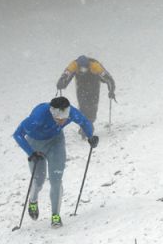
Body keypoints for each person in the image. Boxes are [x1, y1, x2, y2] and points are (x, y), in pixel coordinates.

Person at [13, 96, 99, 228]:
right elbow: (18, 134)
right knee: (39, 180)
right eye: (58, 119)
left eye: (64, 119)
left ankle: (55, 215)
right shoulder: (38, 117)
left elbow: (84, 122)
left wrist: (90, 137)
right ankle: (33, 200)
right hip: (36, 144)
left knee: (56, 179)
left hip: (56, 142)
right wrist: (31, 153)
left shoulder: (71, 113)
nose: (61, 121)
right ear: (52, 113)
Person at [56, 55, 116, 126]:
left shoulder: (95, 66)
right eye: (81, 68)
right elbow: (66, 74)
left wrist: (111, 90)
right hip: (81, 87)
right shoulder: (74, 65)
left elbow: (109, 79)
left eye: (84, 68)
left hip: (94, 86)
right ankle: (84, 126)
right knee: (83, 106)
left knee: (93, 107)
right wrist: (61, 82)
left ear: (88, 65)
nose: (83, 70)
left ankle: (90, 122)